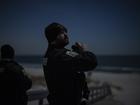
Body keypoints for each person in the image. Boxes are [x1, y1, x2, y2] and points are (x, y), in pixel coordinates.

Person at [43, 22, 97, 105]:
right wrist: (84, 51)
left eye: (66, 32)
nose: (66, 35)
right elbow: (91, 62)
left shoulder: (48, 56)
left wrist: (76, 55)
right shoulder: (60, 55)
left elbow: (72, 72)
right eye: (62, 33)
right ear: (53, 36)